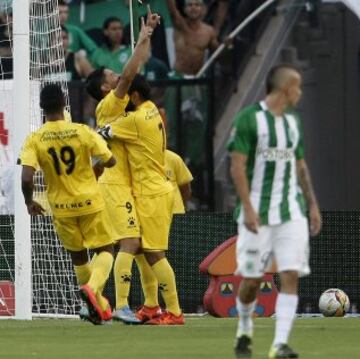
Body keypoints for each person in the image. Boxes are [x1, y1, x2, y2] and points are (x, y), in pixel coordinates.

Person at [227, 64, 322, 358]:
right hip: (256, 212)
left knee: (290, 273)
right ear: (284, 89)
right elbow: (237, 167)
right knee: (252, 281)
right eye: (298, 87)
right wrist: (250, 208)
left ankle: (279, 343)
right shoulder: (248, 119)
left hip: (291, 211)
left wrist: (313, 205)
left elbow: (300, 165)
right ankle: (244, 327)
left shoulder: (292, 123)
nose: (300, 93)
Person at [86, 11, 162, 324]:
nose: (118, 78)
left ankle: (138, 303)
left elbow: (135, 67)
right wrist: (142, 39)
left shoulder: (113, 111)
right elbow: (130, 75)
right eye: (112, 77)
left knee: (134, 245)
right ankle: (119, 306)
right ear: (105, 89)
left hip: (119, 185)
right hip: (115, 186)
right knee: (129, 243)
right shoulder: (108, 106)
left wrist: (147, 35)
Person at [19, 84, 117, 325]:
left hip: (61, 209)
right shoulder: (82, 131)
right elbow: (111, 160)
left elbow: (26, 177)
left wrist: (29, 201)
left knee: (79, 257)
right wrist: (96, 167)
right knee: (106, 250)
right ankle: (93, 289)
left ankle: (98, 306)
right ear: (64, 104)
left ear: (42, 108)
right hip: (90, 202)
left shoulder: (35, 138)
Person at [98, 74, 185, 325]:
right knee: (145, 252)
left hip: (151, 192)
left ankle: (175, 312)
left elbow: (102, 131)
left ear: (134, 96)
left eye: (126, 93)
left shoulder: (133, 120)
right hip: (157, 188)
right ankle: (150, 306)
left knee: (154, 253)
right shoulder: (152, 111)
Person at [166, 0, 219, 75]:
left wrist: (226, 46)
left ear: (203, 9)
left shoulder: (209, 31)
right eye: (190, 5)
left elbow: (218, 53)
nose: (193, 8)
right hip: (179, 77)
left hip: (198, 77)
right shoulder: (179, 25)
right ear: (184, 9)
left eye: (197, 5)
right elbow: (172, 10)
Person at [165, 149, 193, 214]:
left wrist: (178, 206)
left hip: (174, 214)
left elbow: (186, 190)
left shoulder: (174, 159)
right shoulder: (140, 158)